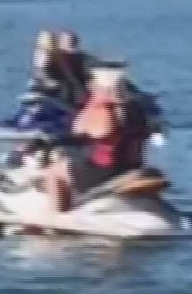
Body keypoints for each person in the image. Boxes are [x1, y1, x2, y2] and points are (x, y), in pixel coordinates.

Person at [44, 64, 158, 211]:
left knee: (53, 172)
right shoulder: (137, 110)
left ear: (100, 88)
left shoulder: (101, 111)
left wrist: (53, 141)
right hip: (131, 167)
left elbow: (79, 131)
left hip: (102, 172)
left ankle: (59, 214)